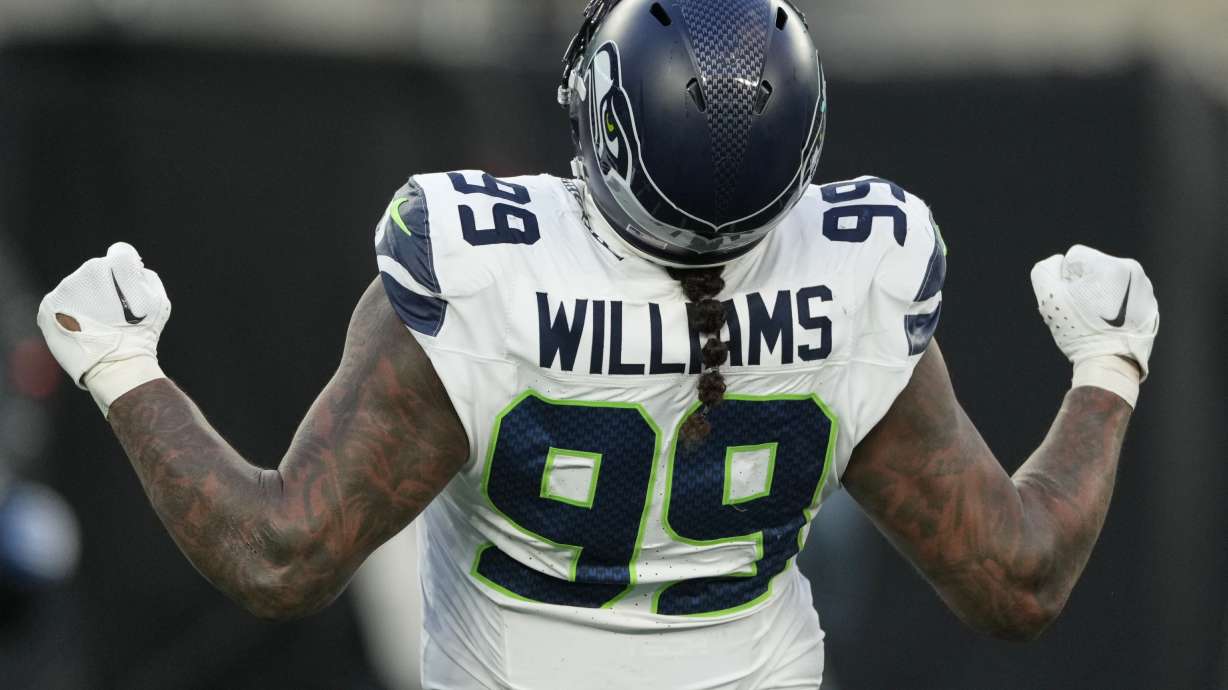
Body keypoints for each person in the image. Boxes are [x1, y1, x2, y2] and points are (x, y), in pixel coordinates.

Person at [34, 1, 1160, 688]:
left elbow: (278, 553)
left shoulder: (481, 269)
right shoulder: (855, 267)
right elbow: (1018, 579)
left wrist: (121, 365)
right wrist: (1107, 368)